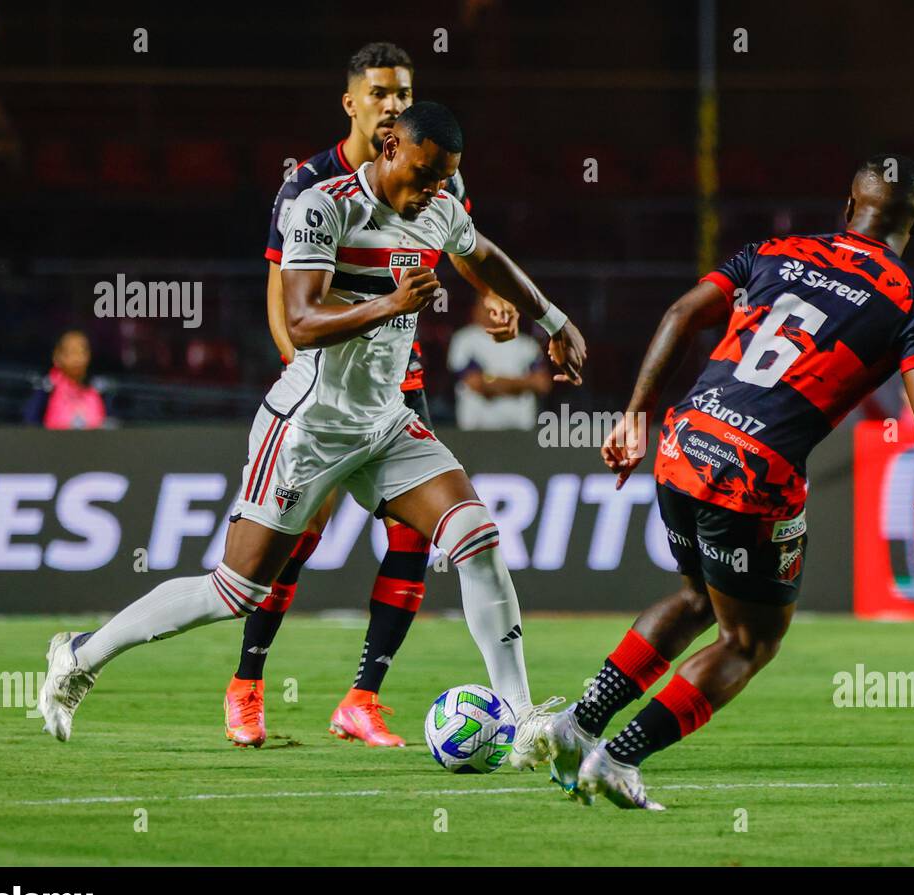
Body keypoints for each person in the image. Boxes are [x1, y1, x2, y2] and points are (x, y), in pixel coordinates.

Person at [38, 103, 588, 774]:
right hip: (309, 427)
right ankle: (81, 655)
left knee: (475, 537)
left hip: (386, 423)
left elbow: (485, 255)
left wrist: (553, 320)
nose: (429, 192)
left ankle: (524, 716)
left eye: (442, 179)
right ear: (388, 145)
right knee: (234, 591)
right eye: (420, 174)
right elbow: (299, 320)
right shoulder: (322, 206)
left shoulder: (440, 208)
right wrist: (390, 302)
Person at [536, 155, 914, 809]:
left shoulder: (773, 251)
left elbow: (681, 312)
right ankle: (615, 759)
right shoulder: (912, 301)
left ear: (848, 206)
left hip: (685, 441)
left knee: (695, 597)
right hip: (754, 471)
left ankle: (577, 724)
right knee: (749, 640)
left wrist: (634, 417)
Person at [225, 42, 522, 750]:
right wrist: (311, 376)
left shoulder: (433, 170)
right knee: (295, 539)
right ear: (352, 102)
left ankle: (362, 697)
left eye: (404, 91)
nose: (393, 102)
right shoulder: (310, 184)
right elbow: (284, 298)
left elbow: (459, 243)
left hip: (402, 386)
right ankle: (247, 685)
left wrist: (496, 297)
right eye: (382, 91)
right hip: (327, 393)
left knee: (416, 536)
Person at [449, 292, 551, 429]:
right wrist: (525, 383)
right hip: (477, 430)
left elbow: (542, 384)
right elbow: (475, 383)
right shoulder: (465, 340)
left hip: (520, 429)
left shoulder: (527, 344)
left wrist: (494, 382)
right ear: (475, 310)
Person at [23, 330, 108, 430]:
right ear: (57, 356)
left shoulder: (98, 388)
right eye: (72, 352)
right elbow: (30, 422)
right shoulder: (48, 388)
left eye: (82, 352)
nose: (78, 358)